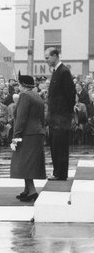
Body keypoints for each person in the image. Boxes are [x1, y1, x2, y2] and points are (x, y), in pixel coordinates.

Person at [10, 74, 46, 202]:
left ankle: (32, 191)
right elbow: (42, 118)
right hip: (37, 132)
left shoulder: (24, 96)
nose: (17, 86)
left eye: (19, 84)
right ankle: (27, 190)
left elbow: (21, 118)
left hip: (27, 133)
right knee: (28, 163)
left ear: (24, 85)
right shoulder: (37, 96)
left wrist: (15, 137)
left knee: (25, 163)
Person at [44, 47, 76, 181]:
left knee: (60, 146)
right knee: (55, 145)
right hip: (55, 117)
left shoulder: (63, 72)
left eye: (48, 58)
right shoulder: (57, 71)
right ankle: (57, 172)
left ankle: (60, 173)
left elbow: (70, 95)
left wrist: (66, 115)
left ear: (55, 56)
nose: (46, 61)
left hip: (61, 118)